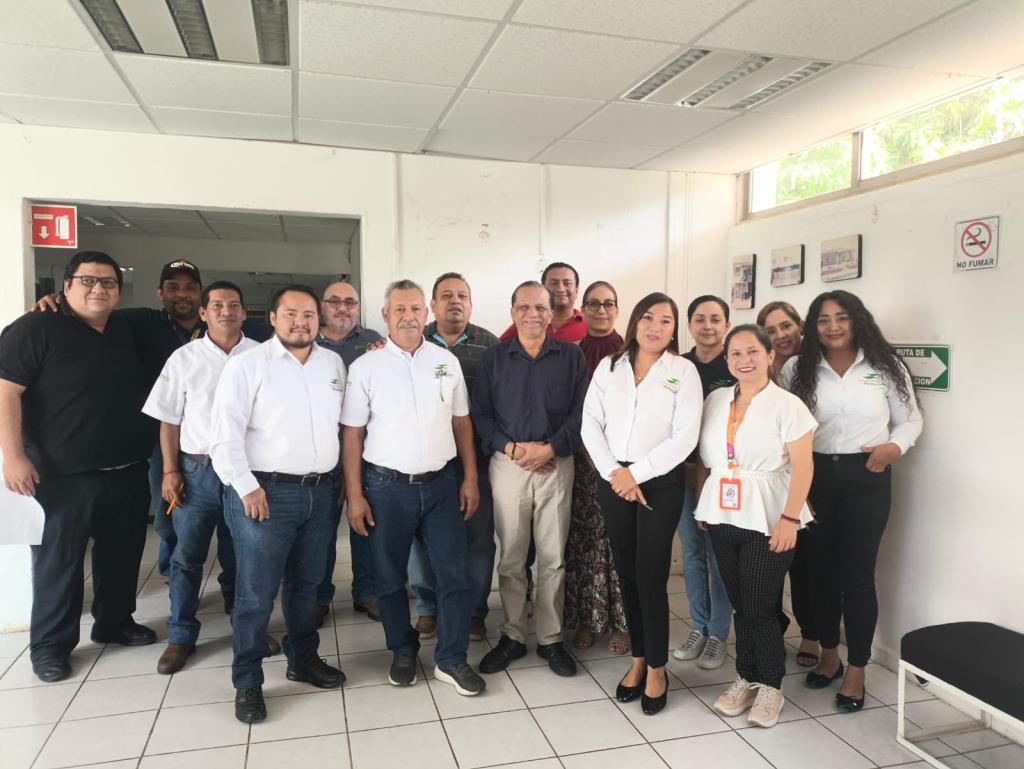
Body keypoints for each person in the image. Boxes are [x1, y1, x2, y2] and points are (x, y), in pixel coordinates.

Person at [31, 259, 270, 598]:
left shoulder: (246, 333)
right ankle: (176, 586)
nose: (182, 294)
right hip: (172, 445)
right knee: (170, 522)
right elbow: (94, 310)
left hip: (235, 453)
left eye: (190, 288)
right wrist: (58, 301)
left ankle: (232, 593)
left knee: (235, 532)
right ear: (161, 293)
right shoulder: (139, 322)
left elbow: (287, 335)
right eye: (173, 287)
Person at [0, 251, 157, 683]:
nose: (97, 289)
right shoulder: (36, 327)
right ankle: (50, 646)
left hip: (126, 469)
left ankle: (114, 623)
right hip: (60, 476)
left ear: (118, 291)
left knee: (122, 555)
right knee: (60, 563)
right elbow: (6, 392)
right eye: (87, 280)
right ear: (65, 286)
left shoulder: (127, 327)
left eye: (107, 282)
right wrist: (13, 457)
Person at [342, 279, 486, 697]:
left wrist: (470, 478)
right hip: (386, 488)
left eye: (416, 309)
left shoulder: (445, 362)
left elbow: (462, 422)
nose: (408, 316)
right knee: (389, 578)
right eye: (400, 309)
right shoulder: (366, 367)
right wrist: (355, 494)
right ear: (385, 315)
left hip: (442, 485)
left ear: (427, 313)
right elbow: (352, 434)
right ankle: (403, 651)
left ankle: (451, 659)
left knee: (454, 575)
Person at [210, 285, 347, 724]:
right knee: (256, 594)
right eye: (291, 313)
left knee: (307, 586)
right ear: (271, 318)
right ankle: (248, 680)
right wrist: (245, 487)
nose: (300, 322)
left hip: (320, 493)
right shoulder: (248, 365)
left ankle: (302, 660)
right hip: (265, 494)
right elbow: (223, 435)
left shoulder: (332, 363)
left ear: (318, 320)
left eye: (309, 314)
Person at [782, 290, 922, 712]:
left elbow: (910, 419)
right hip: (814, 477)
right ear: (813, 327)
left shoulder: (885, 365)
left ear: (857, 320)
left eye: (842, 317)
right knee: (820, 572)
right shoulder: (796, 368)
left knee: (858, 575)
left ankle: (857, 668)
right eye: (824, 320)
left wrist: (893, 448)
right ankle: (830, 654)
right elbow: (782, 424)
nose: (834, 327)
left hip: (868, 476)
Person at [143, 281, 280, 675]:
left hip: (246, 473)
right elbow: (169, 420)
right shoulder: (184, 358)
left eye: (234, 305)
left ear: (245, 313)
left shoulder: (263, 356)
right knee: (187, 556)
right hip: (197, 471)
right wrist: (170, 470)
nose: (226, 311)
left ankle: (246, 627)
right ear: (203, 313)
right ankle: (181, 634)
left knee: (245, 555)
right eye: (217, 305)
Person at [582, 292, 702, 716]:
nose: (656, 327)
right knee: (628, 574)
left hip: (661, 483)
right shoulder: (609, 366)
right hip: (614, 480)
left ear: (674, 329)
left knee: (651, 575)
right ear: (634, 322)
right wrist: (616, 473)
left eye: (666, 321)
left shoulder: (683, 371)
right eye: (648, 318)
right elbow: (590, 423)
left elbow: (685, 437)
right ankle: (637, 658)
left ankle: (657, 668)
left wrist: (638, 474)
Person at [695, 324, 816, 728]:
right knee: (741, 603)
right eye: (735, 353)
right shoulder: (716, 399)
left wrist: (790, 519)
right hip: (724, 512)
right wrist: (704, 502)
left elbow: (803, 467)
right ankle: (746, 675)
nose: (744, 360)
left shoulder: (788, 405)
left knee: (760, 605)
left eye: (752, 352)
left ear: (769, 356)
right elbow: (708, 459)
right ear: (726, 359)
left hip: (770, 514)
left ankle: (771, 684)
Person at [474, 281, 588, 678]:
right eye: (524, 307)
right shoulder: (493, 359)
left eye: (540, 307)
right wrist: (512, 449)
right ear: (512, 312)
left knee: (553, 557)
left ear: (551, 313)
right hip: (509, 465)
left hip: (556, 465)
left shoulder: (571, 357)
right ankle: (513, 635)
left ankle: (551, 638)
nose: (532, 314)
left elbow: (582, 413)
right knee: (511, 557)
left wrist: (549, 448)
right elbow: (481, 415)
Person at [408, 272, 500, 643]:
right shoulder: (413, 339)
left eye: (462, 295)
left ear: (471, 305)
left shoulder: (490, 346)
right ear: (432, 305)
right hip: (427, 463)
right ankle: (428, 607)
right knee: (423, 540)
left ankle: (475, 611)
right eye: (446, 295)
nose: (455, 301)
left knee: (478, 541)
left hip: (477, 461)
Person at [564, 281, 629, 656]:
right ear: (582, 309)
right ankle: (587, 620)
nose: (601, 310)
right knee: (585, 544)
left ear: (617, 310)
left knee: (620, 543)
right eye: (593, 303)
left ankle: (622, 623)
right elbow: (568, 408)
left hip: (622, 466)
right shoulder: (571, 353)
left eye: (608, 303)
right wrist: (589, 453)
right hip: (581, 464)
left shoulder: (633, 353)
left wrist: (611, 461)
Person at [315, 280, 383, 626]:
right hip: (321, 455)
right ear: (322, 306)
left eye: (350, 302)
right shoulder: (307, 340)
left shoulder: (373, 341)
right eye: (335, 301)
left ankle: (367, 592)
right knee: (320, 532)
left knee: (364, 524)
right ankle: (318, 597)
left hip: (364, 451)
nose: (343, 308)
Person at [673, 295, 734, 670]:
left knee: (719, 556)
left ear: (726, 324)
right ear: (690, 325)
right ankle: (699, 626)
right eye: (700, 319)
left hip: (724, 478)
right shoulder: (678, 366)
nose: (708, 326)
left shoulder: (737, 364)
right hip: (683, 475)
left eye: (715, 319)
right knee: (692, 554)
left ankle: (718, 634)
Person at [757, 300, 818, 667]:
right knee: (769, 564)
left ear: (800, 325)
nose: (780, 335)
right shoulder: (759, 367)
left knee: (806, 564)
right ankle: (773, 631)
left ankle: (810, 634)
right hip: (770, 481)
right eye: (771, 330)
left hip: (806, 473)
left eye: (786, 326)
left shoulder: (815, 366)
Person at [498, 262, 586, 343]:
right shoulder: (528, 322)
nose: (560, 289)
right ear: (543, 289)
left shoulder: (588, 325)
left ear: (576, 290)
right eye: (554, 283)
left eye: (567, 283)